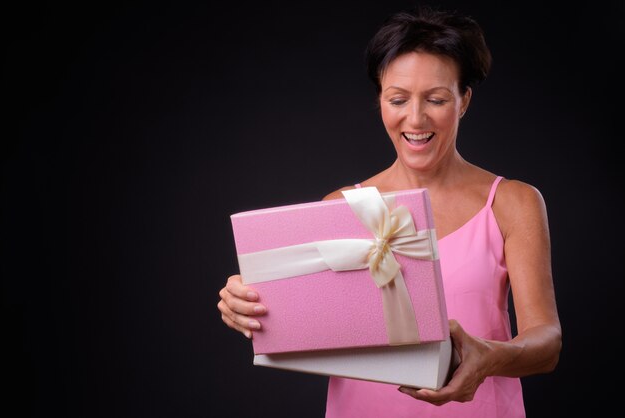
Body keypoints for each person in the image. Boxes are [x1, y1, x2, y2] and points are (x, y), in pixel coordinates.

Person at [217, 5, 562, 417]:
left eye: (435, 99)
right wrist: (249, 306)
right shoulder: (339, 207)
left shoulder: (512, 202)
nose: (415, 119)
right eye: (397, 99)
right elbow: (307, 332)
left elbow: (547, 343)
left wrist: (489, 356)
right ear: (380, 100)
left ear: (463, 100)